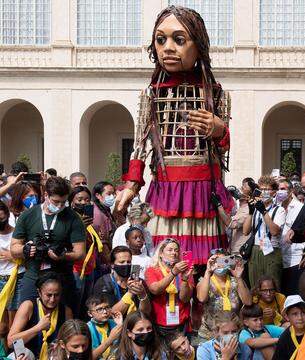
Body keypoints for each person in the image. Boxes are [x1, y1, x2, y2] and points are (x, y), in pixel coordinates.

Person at [119, 5, 233, 267]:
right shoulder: (152, 94)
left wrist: (219, 130)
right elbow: (140, 144)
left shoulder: (215, 94)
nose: (167, 47)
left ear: (198, 45)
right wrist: (132, 184)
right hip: (166, 190)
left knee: (206, 266)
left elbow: (223, 148)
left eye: (178, 40)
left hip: (203, 191)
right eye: (161, 40)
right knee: (166, 261)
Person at [10, 176, 86, 312]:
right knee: (26, 318)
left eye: (63, 202)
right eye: (56, 202)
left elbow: (80, 253)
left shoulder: (73, 218)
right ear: (45, 195)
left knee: (65, 324)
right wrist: (26, 249)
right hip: (33, 276)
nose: (59, 206)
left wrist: (63, 255)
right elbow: (14, 248)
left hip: (62, 278)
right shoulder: (28, 215)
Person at [8, 272, 73, 359]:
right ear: (39, 292)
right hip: (28, 355)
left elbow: (70, 341)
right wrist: (37, 328)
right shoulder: (28, 306)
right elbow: (10, 342)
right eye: (49, 295)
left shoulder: (66, 311)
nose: (52, 299)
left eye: (56, 295)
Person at [196, 248, 252, 343]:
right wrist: (208, 272)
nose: (220, 264)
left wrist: (238, 277)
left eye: (223, 261)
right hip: (209, 334)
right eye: (216, 261)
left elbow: (248, 302)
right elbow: (201, 298)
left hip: (232, 332)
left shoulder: (235, 281)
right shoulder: (205, 280)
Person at [242, 176, 286, 288]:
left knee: (272, 286)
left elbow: (274, 231)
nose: (264, 192)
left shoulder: (279, 210)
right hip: (256, 249)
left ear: (274, 193)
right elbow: (245, 231)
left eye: (267, 189)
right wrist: (251, 212)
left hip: (272, 249)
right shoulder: (256, 209)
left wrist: (264, 211)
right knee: (255, 286)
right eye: (261, 189)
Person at [146, 239, 195, 336]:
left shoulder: (186, 271)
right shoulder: (152, 271)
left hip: (181, 324)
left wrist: (185, 279)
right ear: (160, 253)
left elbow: (185, 299)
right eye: (170, 250)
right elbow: (155, 290)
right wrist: (173, 273)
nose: (174, 253)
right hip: (159, 324)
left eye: (176, 250)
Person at [69, 186, 103, 318]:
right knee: (76, 305)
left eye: (87, 199)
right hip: (77, 269)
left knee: (86, 305)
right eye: (80, 199)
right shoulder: (70, 219)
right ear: (72, 201)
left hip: (90, 268)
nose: (83, 203)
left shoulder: (89, 223)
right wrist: (80, 228)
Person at [92, 246, 151, 316]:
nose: (126, 264)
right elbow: (110, 314)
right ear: (112, 265)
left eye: (129, 262)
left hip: (136, 324)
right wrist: (130, 292)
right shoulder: (103, 283)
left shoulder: (140, 282)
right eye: (122, 262)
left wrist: (142, 294)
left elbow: (146, 312)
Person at [0, 201, 24, 347]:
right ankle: (3, 353)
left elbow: (29, 257)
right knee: (2, 326)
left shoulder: (17, 234)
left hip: (17, 278)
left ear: (8, 215)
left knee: (14, 326)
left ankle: (16, 353)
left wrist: (12, 255)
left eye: (2, 218)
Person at [278, 178, 305, 296]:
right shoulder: (276, 208)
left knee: (294, 295)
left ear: (290, 191)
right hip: (279, 259)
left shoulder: (300, 208)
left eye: (283, 189)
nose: (279, 191)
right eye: (278, 189)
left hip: (295, 259)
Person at [86, 295, 123, 360]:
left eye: (107, 307)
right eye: (99, 309)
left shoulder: (114, 322)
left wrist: (120, 324)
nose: (105, 312)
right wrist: (110, 339)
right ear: (90, 313)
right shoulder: (87, 328)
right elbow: (89, 357)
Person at [272, 295, 305, 360]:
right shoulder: (284, 338)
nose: (300, 318)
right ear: (287, 317)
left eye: (303, 313)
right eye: (295, 314)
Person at [92, 181, 118, 271]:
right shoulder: (98, 214)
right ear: (98, 195)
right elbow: (102, 243)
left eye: (113, 193)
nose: (112, 197)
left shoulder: (105, 210)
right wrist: (110, 263)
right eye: (109, 194)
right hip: (101, 262)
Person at [227, 180, 252, 254]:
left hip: (241, 250)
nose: (240, 189)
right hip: (233, 248)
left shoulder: (248, 209)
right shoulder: (238, 206)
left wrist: (219, 206)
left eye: (244, 187)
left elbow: (231, 224)